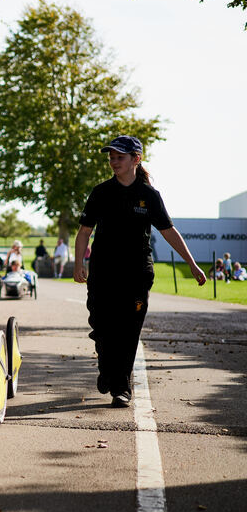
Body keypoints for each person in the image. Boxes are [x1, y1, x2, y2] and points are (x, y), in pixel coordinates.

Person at [74, 135, 205, 408]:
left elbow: (169, 232)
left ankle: (121, 386)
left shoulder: (149, 196)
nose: (113, 162)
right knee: (102, 326)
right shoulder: (100, 193)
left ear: (136, 159)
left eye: (119, 157)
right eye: (111, 157)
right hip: (103, 272)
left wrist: (192, 264)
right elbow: (84, 231)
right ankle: (107, 367)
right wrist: (78, 264)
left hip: (136, 273)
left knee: (128, 329)